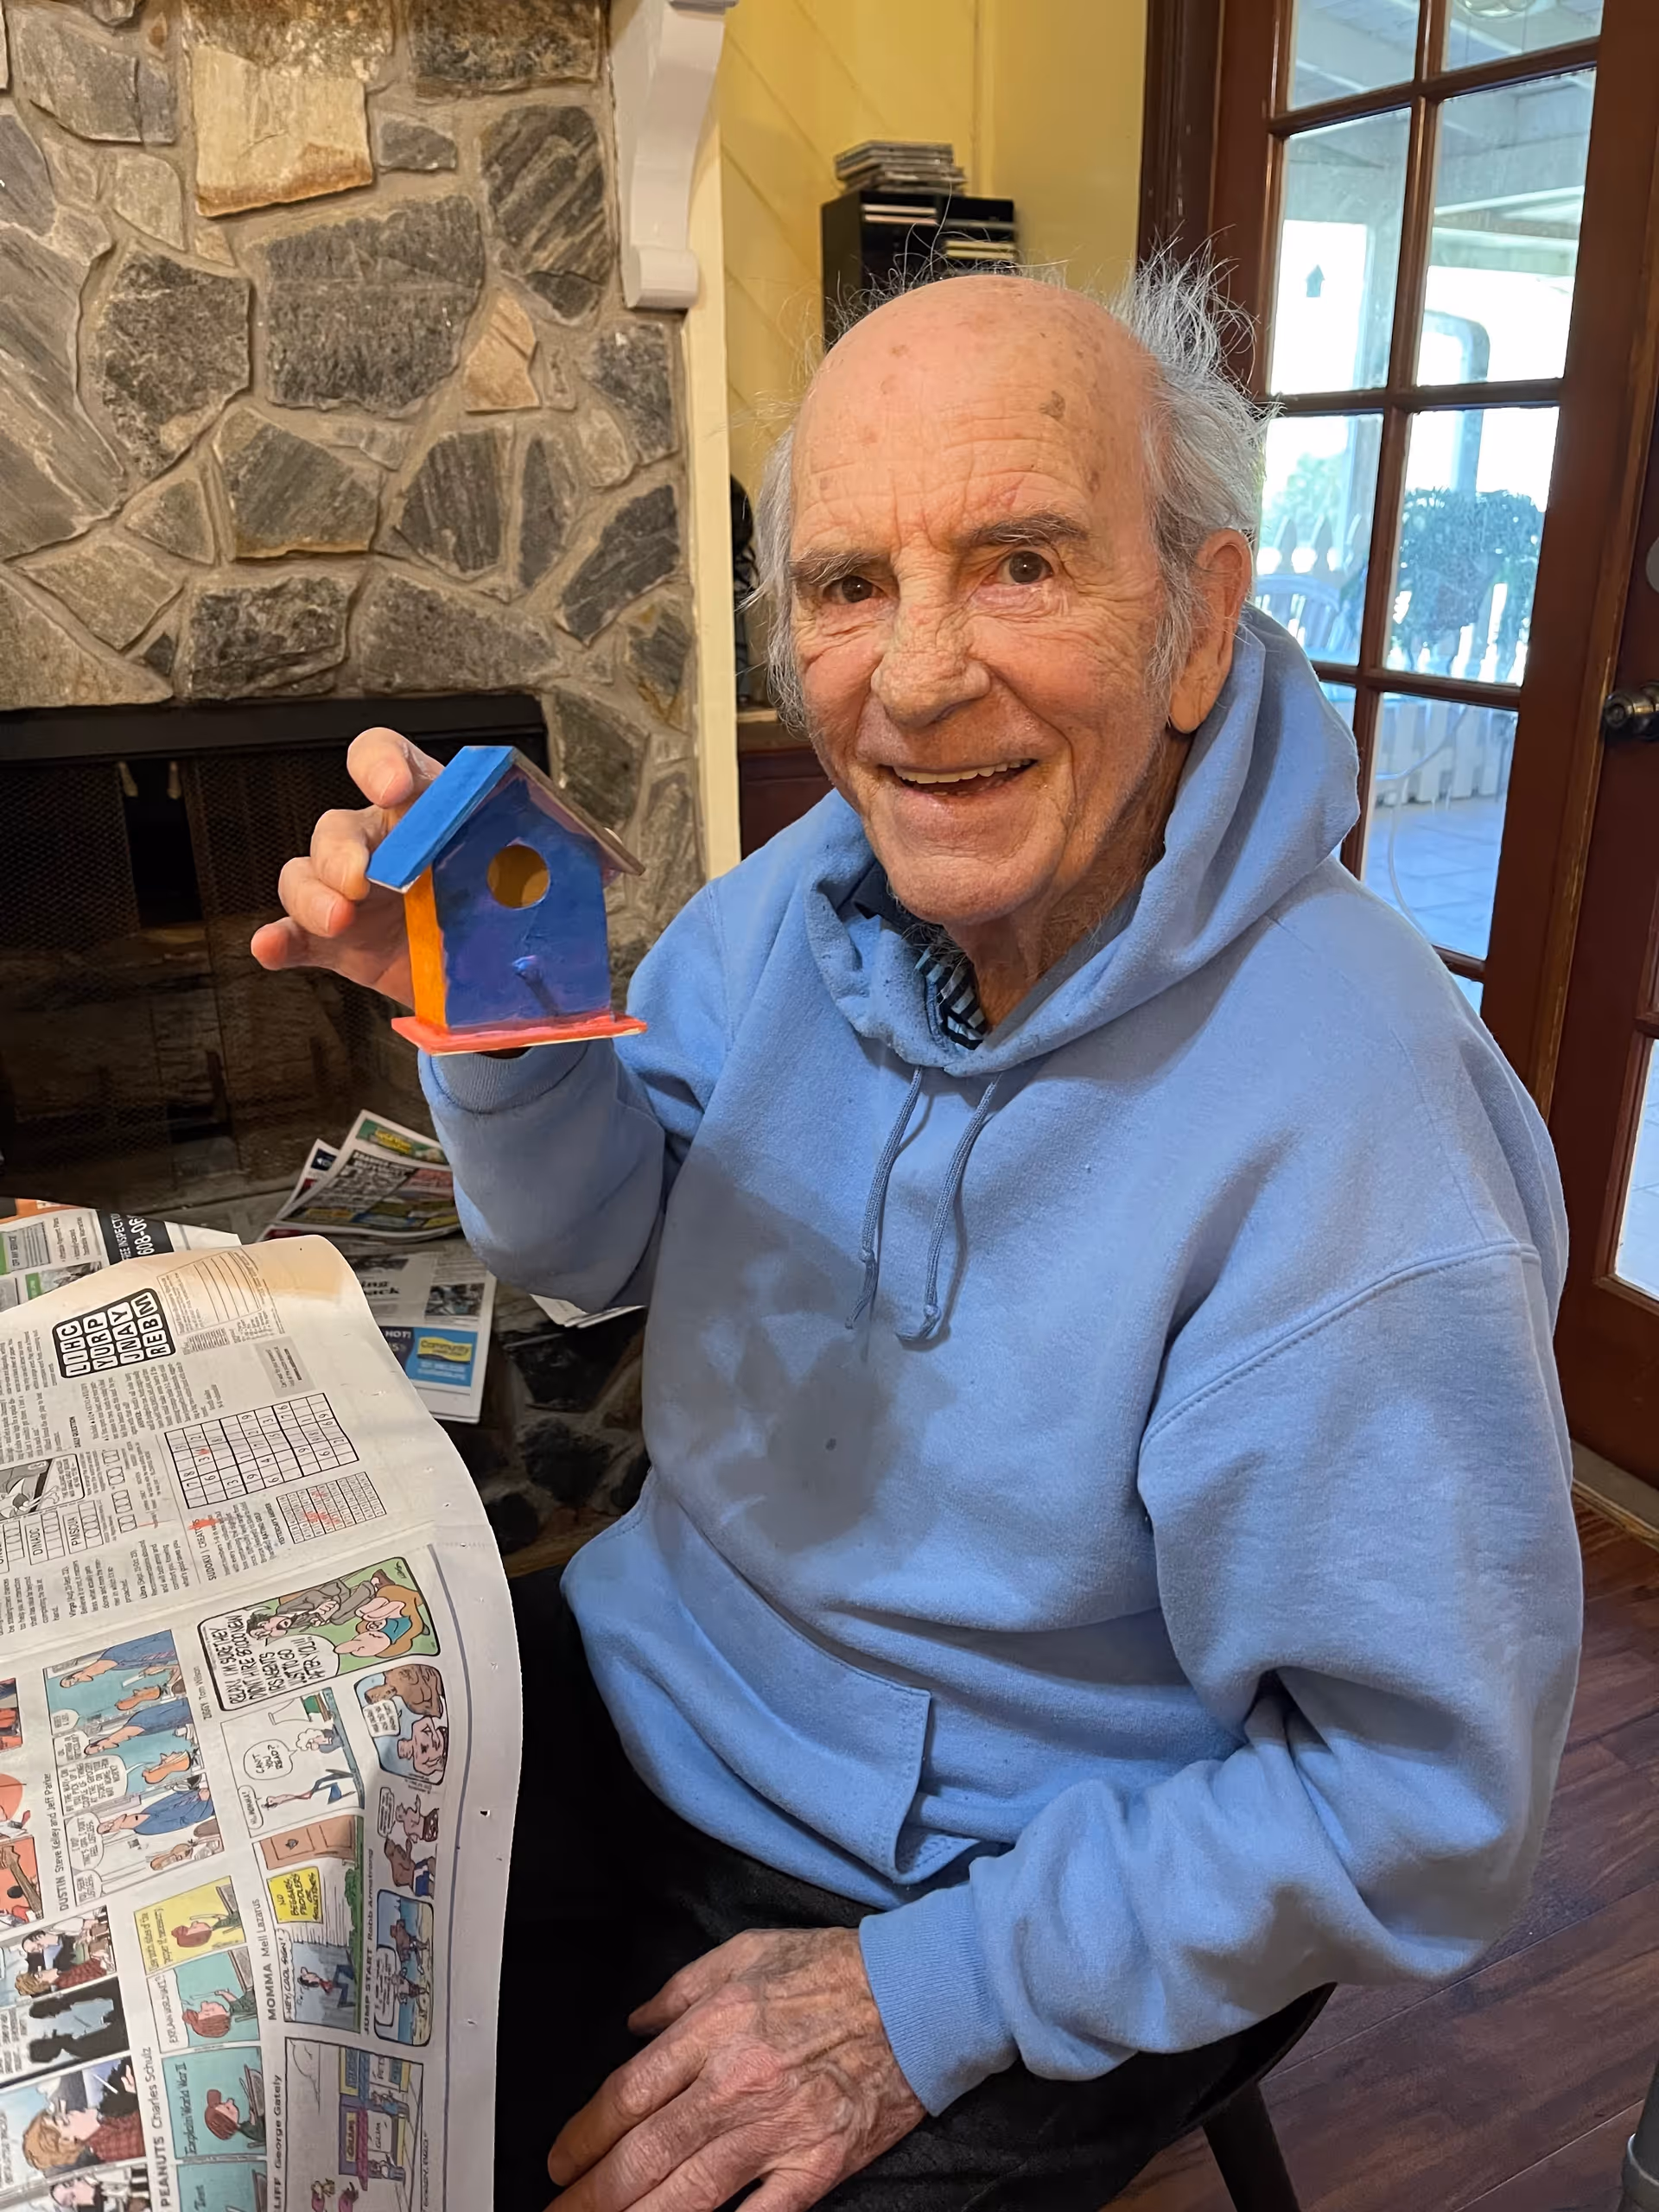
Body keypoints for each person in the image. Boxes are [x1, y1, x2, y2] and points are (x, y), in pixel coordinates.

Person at [253, 266, 1583, 2211]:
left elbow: (1425, 1807)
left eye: (1023, 560)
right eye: (848, 582)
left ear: (1200, 623)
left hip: (1009, 1882)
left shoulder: (1368, 1145)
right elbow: (588, 1244)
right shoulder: (810, 888)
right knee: (283, 2024)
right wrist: (493, 1022)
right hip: (666, 1688)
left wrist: (920, 1992)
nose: (919, 674)